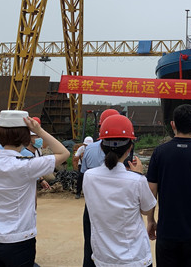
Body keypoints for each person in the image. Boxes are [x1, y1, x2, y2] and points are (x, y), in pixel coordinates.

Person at [0, 110, 69, 267]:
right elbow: (64, 152)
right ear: (27, 138)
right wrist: (38, 130)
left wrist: (4, 126)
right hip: (19, 239)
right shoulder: (27, 165)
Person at [146, 104, 191, 267]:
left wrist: (150, 220)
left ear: (172, 124)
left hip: (167, 232)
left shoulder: (159, 153)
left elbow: (151, 190)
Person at [83, 114, 156, 266]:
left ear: (101, 146)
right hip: (134, 258)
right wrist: (138, 174)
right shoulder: (137, 180)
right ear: (130, 148)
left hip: (103, 259)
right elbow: (147, 210)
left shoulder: (89, 177)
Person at [80, 108, 119, 267]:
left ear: (100, 128)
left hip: (93, 205)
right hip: (117, 204)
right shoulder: (124, 149)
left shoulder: (89, 149)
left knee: (91, 244)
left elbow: (84, 173)